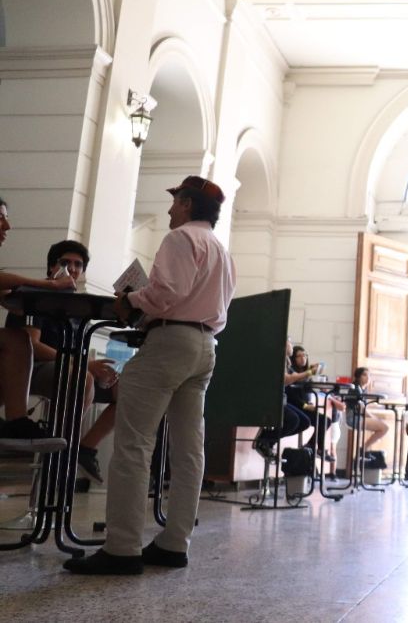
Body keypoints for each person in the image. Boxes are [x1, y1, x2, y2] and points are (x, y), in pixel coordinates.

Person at [64, 175, 236, 575]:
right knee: (188, 449)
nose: (171, 208)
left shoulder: (180, 239)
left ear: (189, 204)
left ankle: (122, 548)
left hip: (169, 342)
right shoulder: (222, 251)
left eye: (176, 201)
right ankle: (175, 543)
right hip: (205, 346)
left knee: (133, 444)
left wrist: (129, 300)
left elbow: (166, 296)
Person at [4, 240, 119, 478]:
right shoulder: (37, 299)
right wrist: (84, 364)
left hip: (66, 366)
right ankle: (58, 455)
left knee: (127, 389)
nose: (73, 268)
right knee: (82, 378)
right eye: (66, 263)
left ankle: (84, 448)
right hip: (30, 367)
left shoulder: (77, 310)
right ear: (51, 267)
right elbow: (32, 345)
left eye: (78, 264)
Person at [0, 197, 75, 452]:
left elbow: (9, 298)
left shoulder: (72, 311)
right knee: (17, 340)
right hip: (42, 364)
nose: (7, 226)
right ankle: (17, 423)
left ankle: (74, 451)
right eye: (1, 217)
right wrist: (50, 285)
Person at [253, 338, 314, 459]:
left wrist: (311, 372)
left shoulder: (287, 361)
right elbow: (286, 379)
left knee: (305, 422)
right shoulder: (276, 358)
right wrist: (309, 372)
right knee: (293, 420)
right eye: (289, 342)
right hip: (270, 399)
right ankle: (264, 439)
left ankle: (269, 442)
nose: (292, 345)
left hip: (281, 399)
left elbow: (295, 377)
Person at [349, 366, 389, 460]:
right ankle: (364, 449)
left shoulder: (362, 389)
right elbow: (361, 408)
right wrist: (373, 418)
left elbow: (364, 405)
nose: (367, 378)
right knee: (384, 428)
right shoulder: (356, 389)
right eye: (364, 375)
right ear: (358, 377)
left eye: (369, 375)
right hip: (353, 418)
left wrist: (375, 407)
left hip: (358, 416)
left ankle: (364, 449)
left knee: (383, 427)